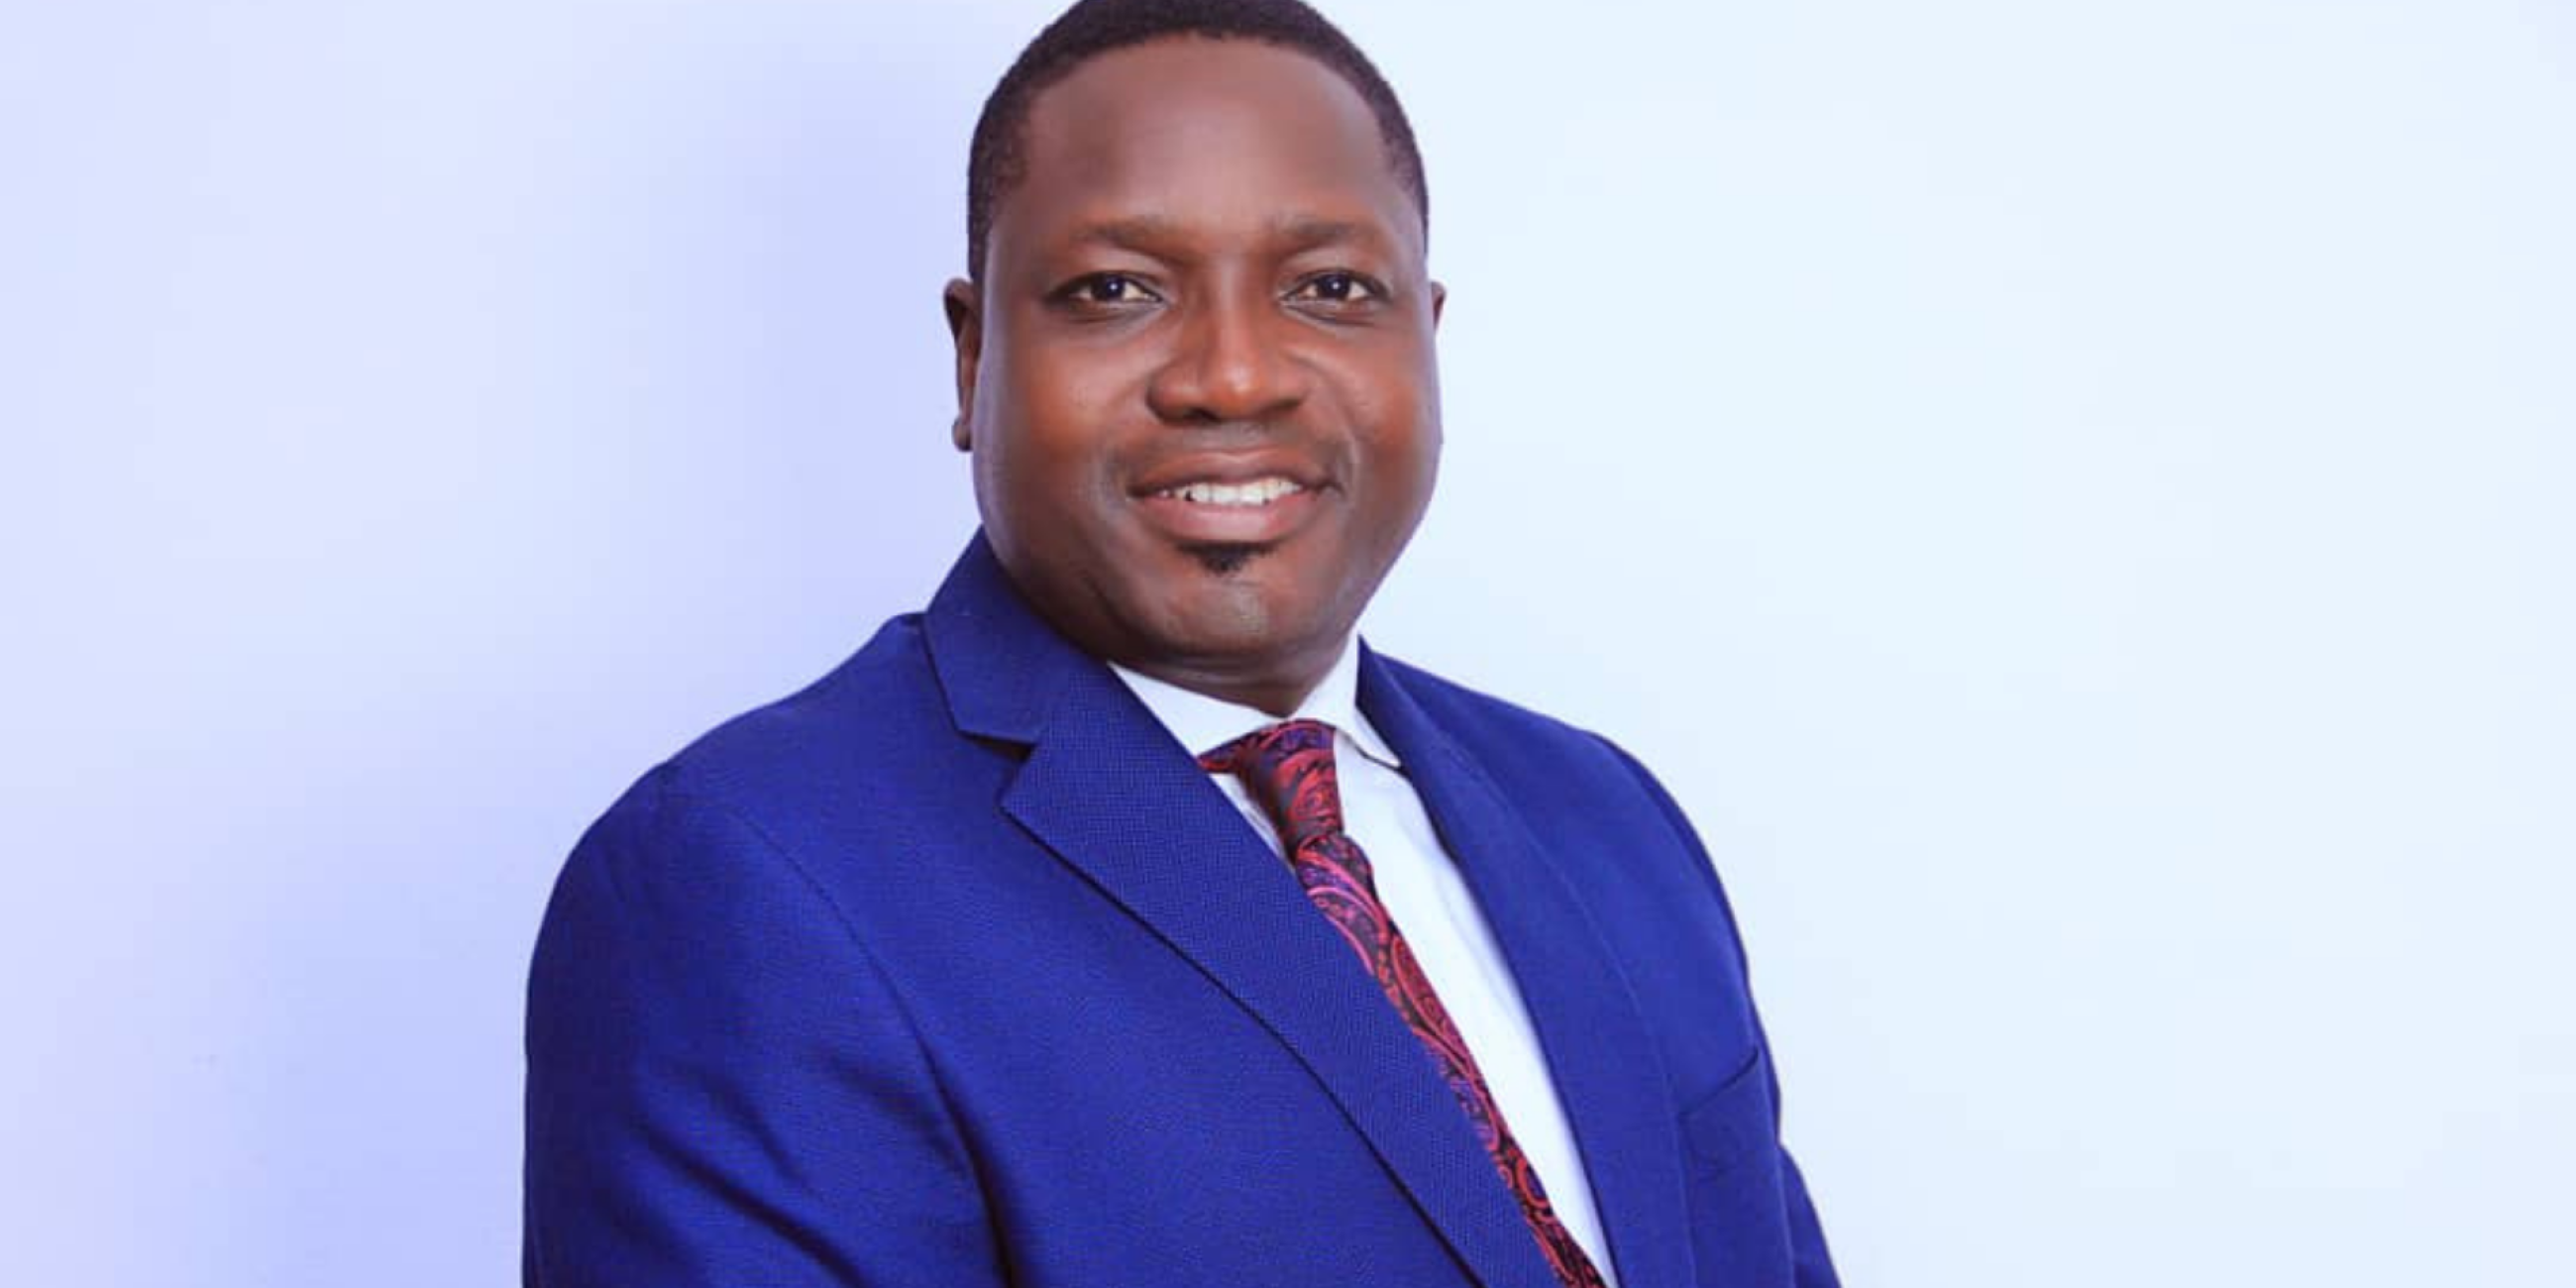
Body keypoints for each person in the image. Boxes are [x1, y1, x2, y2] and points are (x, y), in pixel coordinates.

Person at [522, 1, 1838, 1284]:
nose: (1233, 377)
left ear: (1425, 341)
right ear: (973, 357)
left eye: (1331, 288)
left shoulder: (1605, 816)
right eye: (1116, 290)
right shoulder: (749, 885)